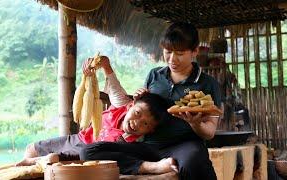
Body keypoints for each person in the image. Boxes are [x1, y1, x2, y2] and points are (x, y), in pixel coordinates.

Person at [80, 22, 221, 179]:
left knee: (193, 162)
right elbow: (144, 107)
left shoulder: (207, 83)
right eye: (168, 52)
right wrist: (140, 99)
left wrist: (195, 123)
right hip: (148, 146)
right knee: (88, 151)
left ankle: (162, 165)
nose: (172, 59)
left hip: (184, 146)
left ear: (194, 51)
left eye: (180, 53)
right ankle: (150, 167)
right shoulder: (154, 75)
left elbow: (210, 132)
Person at [17, 56, 170, 166]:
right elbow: (114, 84)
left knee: (52, 160)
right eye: (137, 113)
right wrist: (104, 64)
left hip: (86, 155)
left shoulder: (131, 142)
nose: (136, 123)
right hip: (79, 139)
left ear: (150, 130)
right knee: (32, 149)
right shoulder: (122, 105)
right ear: (131, 105)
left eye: (144, 123)